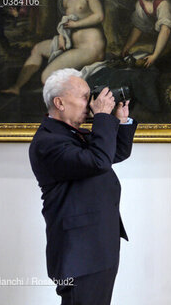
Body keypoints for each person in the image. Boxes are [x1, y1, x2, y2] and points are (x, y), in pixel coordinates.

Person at [28, 68, 138, 304]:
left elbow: (113, 153)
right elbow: (98, 161)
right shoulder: (48, 141)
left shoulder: (71, 133)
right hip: (79, 251)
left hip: (98, 244)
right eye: (84, 97)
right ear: (59, 102)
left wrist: (119, 120)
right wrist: (102, 117)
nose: (91, 103)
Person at [2, 0, 106, 95]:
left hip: (90, 48)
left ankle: (79, 100)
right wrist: (61, 36)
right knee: (38, 49)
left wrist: (76, 24)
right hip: (72, 44)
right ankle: (17, 87)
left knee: (46, 77)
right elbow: (64, 23)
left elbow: (99, 16)